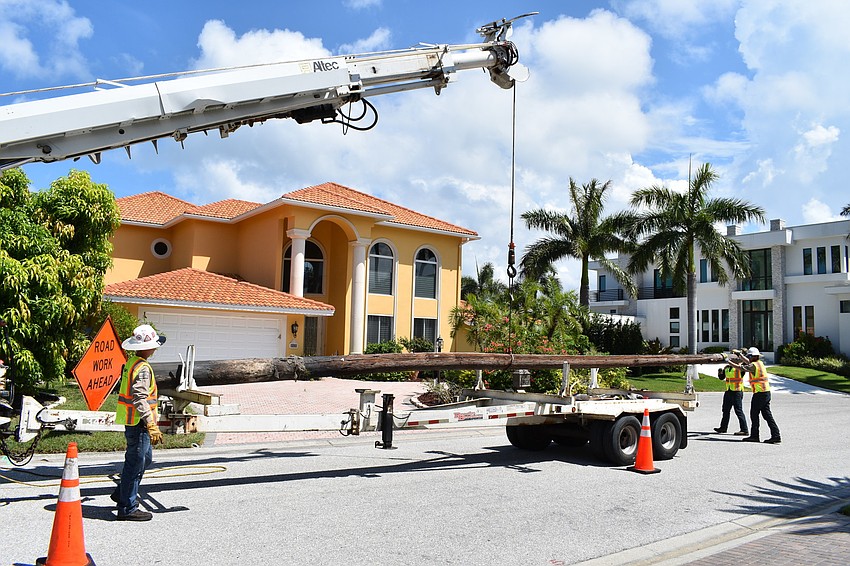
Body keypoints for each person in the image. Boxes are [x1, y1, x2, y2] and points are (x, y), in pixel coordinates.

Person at [112, 324, 166, 521]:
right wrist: (151, 424)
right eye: (153, 345)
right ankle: (127, 507)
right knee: (135, 464)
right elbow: (140, 398)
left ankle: (122, 492)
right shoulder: (142, 368)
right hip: (139, 423)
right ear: (147, 347)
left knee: (145, 459)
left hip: (133, 421)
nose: (155, 349)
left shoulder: (132, 362)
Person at [730, 346, 781, 444]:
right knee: (767, 415)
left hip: (760, 394)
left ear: (752, 356)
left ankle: (755, 436)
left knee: (754, 414)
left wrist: (729, 362)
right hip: (765, 392)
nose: (748, 358)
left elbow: (741, 367)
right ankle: (776, 435)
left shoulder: (753, 365)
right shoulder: (759, 363)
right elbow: (747, 362)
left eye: (749, 356)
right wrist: (739, 355)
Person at [713, 352, 749, 436]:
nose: (732, 359)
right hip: (728, 391)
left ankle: (744, 429)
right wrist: (720, 373)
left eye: (733, 358)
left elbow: (747, 362)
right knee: (725, 410)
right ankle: (723, 428)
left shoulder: (741, 368)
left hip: (737, 391)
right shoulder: (727, 367)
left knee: (738, 411)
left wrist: (741, 354)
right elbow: (722, 378)